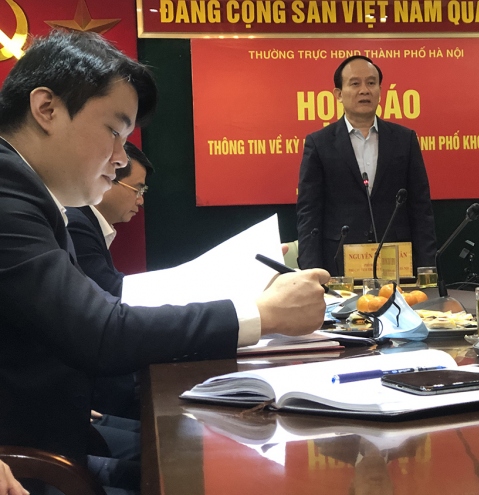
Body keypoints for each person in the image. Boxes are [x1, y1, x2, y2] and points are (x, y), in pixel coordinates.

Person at [0, 29, 329, 477]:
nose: (121, 158)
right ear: (47, 108)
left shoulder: (29, 192)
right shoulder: (8, 194)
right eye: (114, 132)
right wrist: (262, 315)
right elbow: (100, 332)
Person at [297, 55, 437, 276]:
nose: (364, 90)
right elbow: (309, 213)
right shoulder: (319, 143)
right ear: (338, 94)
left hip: (396, 261)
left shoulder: (404, 139)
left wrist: (427, 268)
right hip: (339, 263)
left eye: (371, 83)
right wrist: (310, 272)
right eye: (355, 83)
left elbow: (421, 209)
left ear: (380, 91)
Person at [67, 142, 152, 299]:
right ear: (108, 177)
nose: (140, 201)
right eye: (137, 190)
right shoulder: (77, 225)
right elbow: (113, 292)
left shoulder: (88, 222)